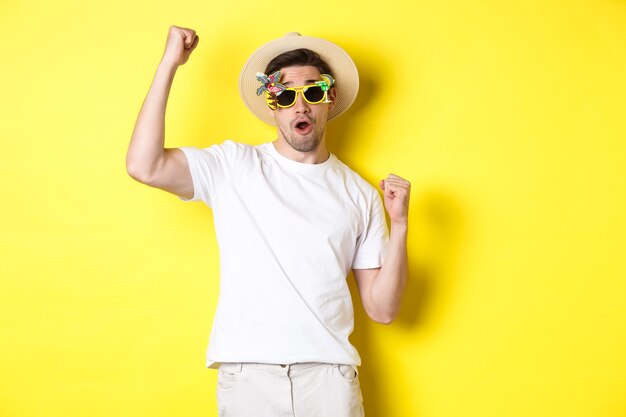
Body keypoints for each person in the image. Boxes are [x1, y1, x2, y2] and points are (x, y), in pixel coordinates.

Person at [126, 25, 411, 417]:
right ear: (272, 104)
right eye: (286, 95)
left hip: (329, 379)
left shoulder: (360, 194)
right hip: (248, 377)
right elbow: (144, 165)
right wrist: (169, 64)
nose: (301, 106)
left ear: (330, 98)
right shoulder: (234, 166)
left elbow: (382, 309)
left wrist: (400, 227)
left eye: (312, 92)